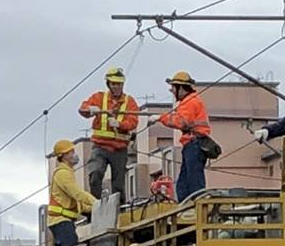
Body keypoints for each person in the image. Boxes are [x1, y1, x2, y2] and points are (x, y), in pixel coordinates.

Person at [79, 67, 139, 202]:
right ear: (108, 84)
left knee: (118, 185)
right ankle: (95, 206)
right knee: (95, 175)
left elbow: (133, 121)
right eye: (114, 84)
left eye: (119, 84)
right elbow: (82, 108)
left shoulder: (130, 102)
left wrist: (120, 125)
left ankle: (119, 210)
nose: (117, 87)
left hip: (119, 148)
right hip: (100, 146)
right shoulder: (99, 98)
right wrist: (90, 109)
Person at [149, 71, 211, 202]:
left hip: (195, 145)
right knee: (184, 183)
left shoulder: (190, 102)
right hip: (193, 145)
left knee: (193, 182)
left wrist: (160, 118)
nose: (171, 90)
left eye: (173, 87)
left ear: (181, 87)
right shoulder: (190, 101)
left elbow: (180, 121)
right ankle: (188, 207)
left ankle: (196, 206)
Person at [47, 139, 97, 246]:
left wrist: (89, 208)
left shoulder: (67, 172)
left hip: (62, 221)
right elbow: (77, 194)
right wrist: (96, 203)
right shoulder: (62, 173)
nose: (74, 155)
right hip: (60, 220)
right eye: (71, 152)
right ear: (63, 156)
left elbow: (73, 201)